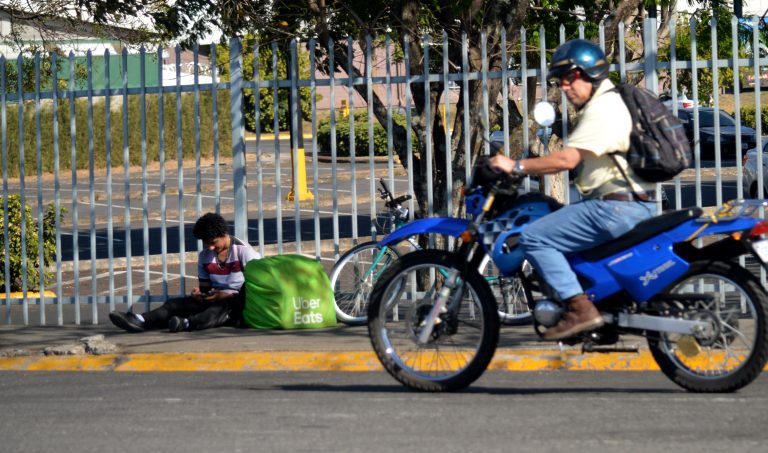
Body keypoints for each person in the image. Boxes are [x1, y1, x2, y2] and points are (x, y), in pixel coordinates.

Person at [489, 39, 657, 340]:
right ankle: (599, 310)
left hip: (613, 208)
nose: (564, 86)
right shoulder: (610, 102)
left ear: (589, 73)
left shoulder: (602, 108)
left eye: (569, 77)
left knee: (534, 236)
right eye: (560, 80)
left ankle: (580, 309)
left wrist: (516, 166)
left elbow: (567, 159)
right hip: (627, 203)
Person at [109, 212, 260, 333]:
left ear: (225, 233)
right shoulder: (204, 256)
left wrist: (228, 295)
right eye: (206, 243)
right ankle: (140, 320)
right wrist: (201, 294)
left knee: (219, 308)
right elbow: (206, 289)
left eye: (213, 242)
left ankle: (187, 324)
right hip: (217, 299)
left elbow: (257, 287)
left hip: (238, 303)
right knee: (174, 304)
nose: (210, 247)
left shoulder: (244, 252)